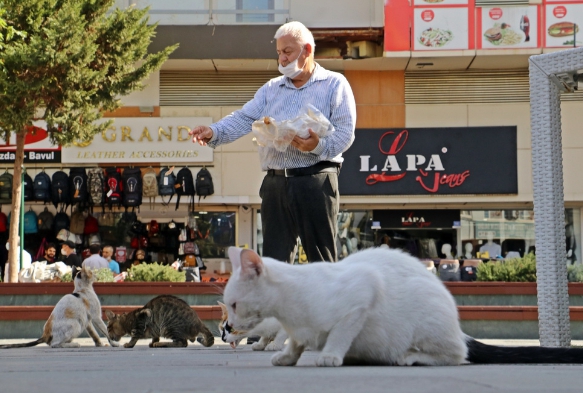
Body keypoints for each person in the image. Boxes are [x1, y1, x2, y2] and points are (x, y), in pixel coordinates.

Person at [190, 21, 356, 263]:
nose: (282, 58)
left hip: (316, 181)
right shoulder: (271, 89)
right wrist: (214, 132)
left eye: (287, 51)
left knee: (322, 262)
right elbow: (244, 118)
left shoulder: (334, 84)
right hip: (275, 183)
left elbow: (345, 133)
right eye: (279, 52)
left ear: (307, 50)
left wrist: (317, 146)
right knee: (274, 263)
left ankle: (329, 302)